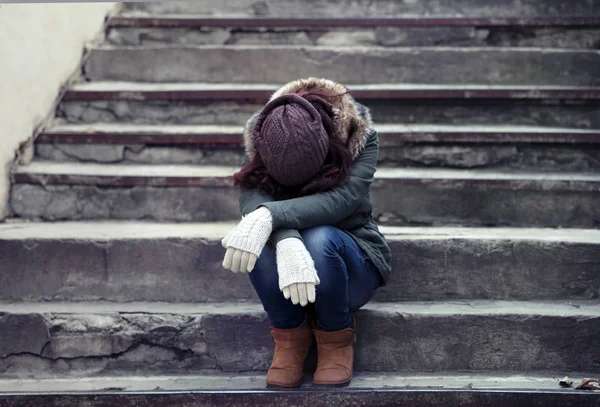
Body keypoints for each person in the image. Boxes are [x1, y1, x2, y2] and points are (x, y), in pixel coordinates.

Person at [221, 77, 392, 388]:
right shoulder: (265, 130)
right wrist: (284, 237)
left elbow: (341, 200)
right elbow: (253, 195)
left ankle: (335, 338)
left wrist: (272, 216)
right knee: (252, 234)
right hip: (286, 279)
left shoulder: (358, 132)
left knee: (319, 238)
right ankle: (290, 338)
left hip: (349, 263)